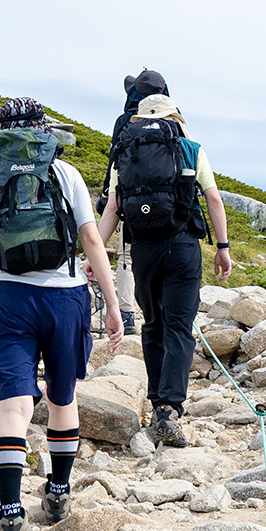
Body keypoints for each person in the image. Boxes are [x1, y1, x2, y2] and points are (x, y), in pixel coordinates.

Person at [0, 97, 124, 531]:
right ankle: (57, 492)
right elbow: (92, 239)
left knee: (13, 408)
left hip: (10, 299)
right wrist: (112, 305)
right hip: (66, 298)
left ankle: (11, 513)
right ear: (41, 129)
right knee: (62, 396)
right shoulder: (64, 172)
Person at [97, 92, 232, 448]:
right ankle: (170, 410)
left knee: (153, 324)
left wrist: (92, 255)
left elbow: (113, 207)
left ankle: (157, 401)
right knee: (179, 328)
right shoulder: (191, 149)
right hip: (183, 246)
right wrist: (223, 247)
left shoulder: (125, 153)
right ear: (175, 117)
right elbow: (214, 199)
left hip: (142, 249)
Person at [101, 69, 169, 335]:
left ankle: (127, 314)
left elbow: (114, 160)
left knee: (127, 257)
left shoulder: (124, 120)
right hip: (166, 203)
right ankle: (163, 310)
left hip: (129, 198)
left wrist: (108, 194)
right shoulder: (171, 117)